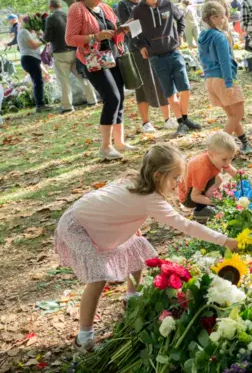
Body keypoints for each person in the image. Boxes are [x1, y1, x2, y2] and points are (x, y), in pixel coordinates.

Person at [54, 143, 239, 352]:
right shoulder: (149, 197)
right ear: (158, 175)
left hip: (94, 221)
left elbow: (117, 204)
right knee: (98, 277)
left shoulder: (136, 180)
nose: (178, 183)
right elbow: (186, 225)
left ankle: (132, 298)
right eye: (175, 178)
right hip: (77, 226)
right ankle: (84, 337)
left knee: (138, 246)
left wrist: (131, 227)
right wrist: (225, 241)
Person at [66, 0, 136, 159]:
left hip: (112, 57)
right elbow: (70, 38)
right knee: (111, 98)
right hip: (93, 61)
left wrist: (120, 31)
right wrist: (94, 37)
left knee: (120, 97)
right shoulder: (77, 9)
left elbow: (112, 32)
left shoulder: (104, 8)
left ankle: (119, 143)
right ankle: (105, 147)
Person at [133, 0, 202, 137]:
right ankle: (181, 122)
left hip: (174, 52)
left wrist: (179, 35)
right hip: (156, 57)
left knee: (185, 88)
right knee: (170, 92)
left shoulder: (167, 4)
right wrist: (142, 46)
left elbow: (181, 20)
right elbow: (135, 33)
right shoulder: (138, 11)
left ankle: (184, 119)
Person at [117, 0, 175, 133]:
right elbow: (132, 28)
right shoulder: (124, 5)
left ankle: (167, 118)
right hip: (137, 50)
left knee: (161, 80)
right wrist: (142, 44)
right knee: (142, 85)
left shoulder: (150, 3)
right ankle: (146, 122)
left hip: (156, 49)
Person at [199, 1, 252, 155]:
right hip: (223, 79)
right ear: (213, 17)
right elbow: (225, 61)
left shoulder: (203, 36)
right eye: (221, 17)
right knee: (239, 113)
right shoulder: (219, 37)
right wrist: (229, 82)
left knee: (232, 115)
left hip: (210, 80)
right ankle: (216, 150)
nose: (224, 19)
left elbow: (202, 59)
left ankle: (245, 143)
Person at [43, 0, 98, 113]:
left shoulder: (50, 18)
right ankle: (92, 100)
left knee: (64, 81)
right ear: (60, 5)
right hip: (74, 50)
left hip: (60, 52)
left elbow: (48, 37)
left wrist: (40, 35)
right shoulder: (68, 15)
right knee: (82, 76)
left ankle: (67, 106)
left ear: (50, 7)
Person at [178, 131, 241, 222]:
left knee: (218, 177)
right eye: (224, 159)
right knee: (218, 178)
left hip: (197, 190)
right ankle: (201, 210)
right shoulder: (203, 168)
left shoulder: (216, 158)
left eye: (231, 158)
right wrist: (217, 203)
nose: (228, 162)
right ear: (211, 154)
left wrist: (244, 181)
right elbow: (194, 196)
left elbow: (234, 173)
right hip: (188, 198)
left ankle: (208, 201)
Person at [17, 15, 53, 113]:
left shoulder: (29, 32)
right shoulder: (24, 32)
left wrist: (39, 35)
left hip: (33, 58)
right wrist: (43, 40)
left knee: (38, 81)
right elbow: (33, 45)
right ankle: (40, 105)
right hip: (29, 58)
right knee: (38, 82)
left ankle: (40, 104)